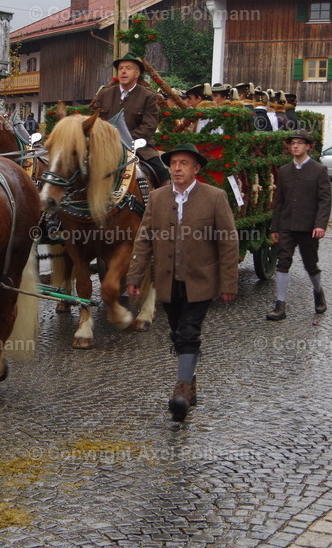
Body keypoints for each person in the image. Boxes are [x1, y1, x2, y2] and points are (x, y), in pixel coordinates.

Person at [126, 143, 238, 422]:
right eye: (173, 163)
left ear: (196, 169)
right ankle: (191, 378)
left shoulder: (214, 197)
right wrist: (135, 276)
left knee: (188, 332)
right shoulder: (157, 197)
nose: (176, 168)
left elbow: (228, 242)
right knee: (177, 334)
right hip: (168, 280)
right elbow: (144, 238)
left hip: (201, 281)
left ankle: (181, 391)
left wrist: (228, 283)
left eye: (183, 163)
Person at [267, 129, 332, 322]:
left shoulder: (319, 170)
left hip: (309, 226)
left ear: (308, 146)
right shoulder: (284, 170)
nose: (295, 146)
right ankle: (280, 304)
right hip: (287, 224)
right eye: (292, 143)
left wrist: (320, 224)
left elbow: (325, 200)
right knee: (283, 261)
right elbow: (279, 201)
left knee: (310, 263)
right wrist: (275, 227)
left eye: (300, 143)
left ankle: (318, 291)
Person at [90, 53, 168, 184]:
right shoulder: (104, 94)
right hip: (106, 145)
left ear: (137, 73)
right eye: (120, 68)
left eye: (128, 68)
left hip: (138, 146)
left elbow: (149, 125)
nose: (123, 71)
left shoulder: (148, 96)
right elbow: (96, 120)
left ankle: (164, 194)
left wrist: (125, 139)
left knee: (161, 172)